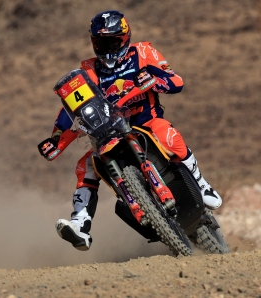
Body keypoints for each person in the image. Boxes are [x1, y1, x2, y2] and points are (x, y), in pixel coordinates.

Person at [38, 10, 222, 251]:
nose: (107, 48)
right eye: (101, 43)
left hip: (146, 123)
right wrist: (55, 139)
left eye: (113, 42)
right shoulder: (89, 71)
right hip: (107, 134)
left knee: (167, 133)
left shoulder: (144, 53)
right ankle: (80, 225)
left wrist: (155, 80)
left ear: (125, 39)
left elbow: (176, 81)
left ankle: (201, 183)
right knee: (86, 166)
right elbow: (70, 111)